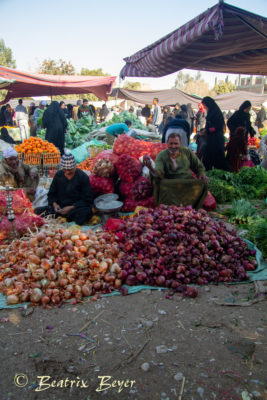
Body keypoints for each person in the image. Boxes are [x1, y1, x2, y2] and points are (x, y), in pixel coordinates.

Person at [143, 132, 208, 209]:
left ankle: (193, 208)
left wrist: (201, 174)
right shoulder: (161, 155)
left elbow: (199, 166)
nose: (173, 146)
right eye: (171, 143)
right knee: (160, 184)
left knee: (203, 183)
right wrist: (150, 168)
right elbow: (159, 173)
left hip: (187, 182)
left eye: (176, 143)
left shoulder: (187, 152)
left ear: (180, 143)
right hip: (170, 184)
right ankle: (168, 209)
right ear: (167, 143)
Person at [43, 154, 93, 225]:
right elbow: (51, 193)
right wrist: (55, 204)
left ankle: (67, 219)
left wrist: (71, 207)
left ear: (75, 167)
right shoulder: (58, 175)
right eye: (64, 170)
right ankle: (61, 217)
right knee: (38, 211)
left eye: (70, 170)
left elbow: (88, 199)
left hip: (75, 209)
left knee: (86, 212)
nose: (67, 172)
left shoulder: (82, 177)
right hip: (60, 208)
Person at [201, 96, 229, 171]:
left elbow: (217, 127)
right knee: (208, 158)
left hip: (216, 140)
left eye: (205, 106)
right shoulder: (211, 112)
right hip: (211, 139)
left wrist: (207, 130)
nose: (205, 107)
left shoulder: (216, 113)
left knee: (217, 158)